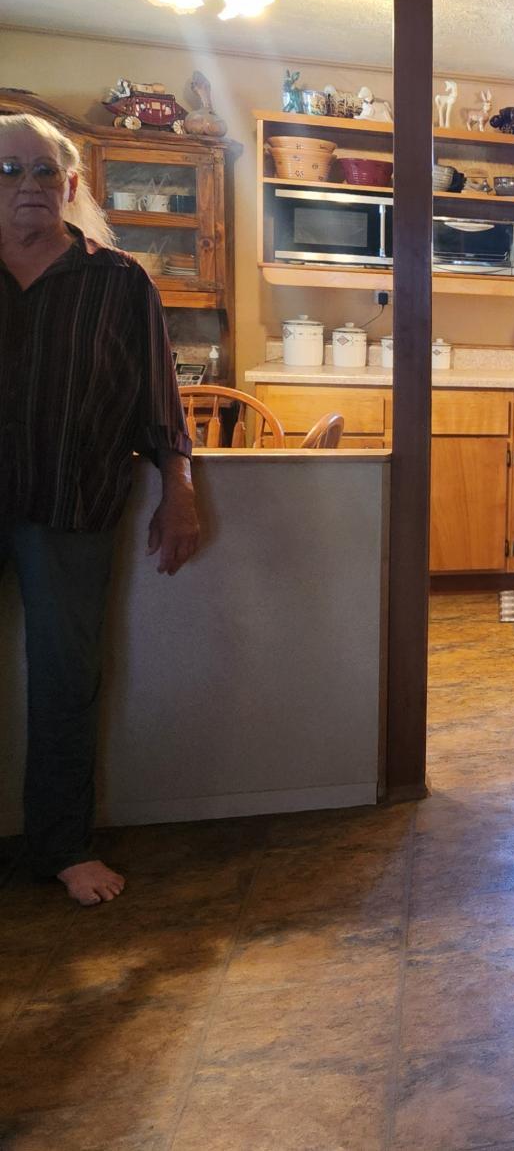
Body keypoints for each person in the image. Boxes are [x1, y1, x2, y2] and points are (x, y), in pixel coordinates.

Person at [0, 113, 200, 905]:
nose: (29, 188)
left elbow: (159, 397)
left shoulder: (118, 280)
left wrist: (178, 488)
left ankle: (61, 846)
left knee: (65, 677)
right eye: (9, 171)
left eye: (44, 172)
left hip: (70, 502)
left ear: (72, 186)